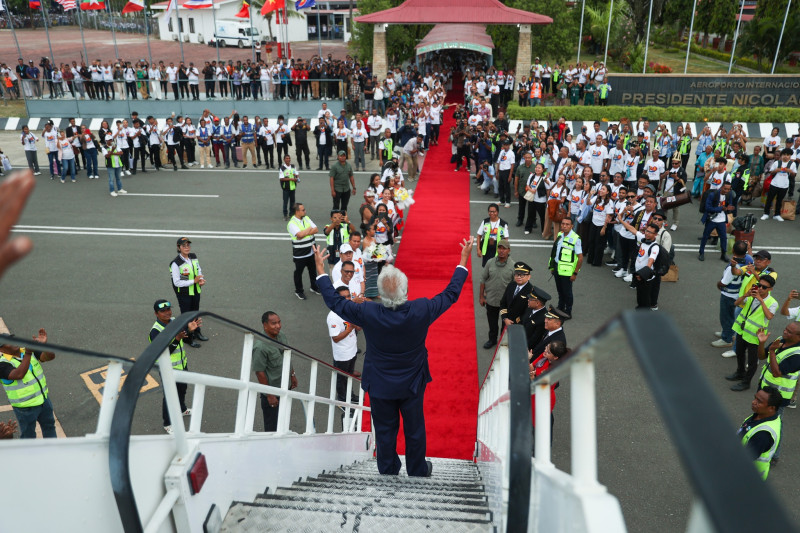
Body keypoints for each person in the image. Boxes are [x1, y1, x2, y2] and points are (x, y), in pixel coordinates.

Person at [312, 237, 474, 477]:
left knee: (384, 430)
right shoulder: (421, 309)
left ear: (381, 294)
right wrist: (463, 261)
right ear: (405, 292)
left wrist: (321, 271)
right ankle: (417, 469)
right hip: (412, 382)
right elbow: (450, 294)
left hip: (379, 382)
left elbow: (335, 302)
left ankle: (388, 469)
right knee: (414, 429)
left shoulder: (368, 311)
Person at [149, 299, 201, 434]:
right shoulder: (155, 331)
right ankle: (167, 423)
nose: (167, 313)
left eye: (168, 309)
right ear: (156, 314)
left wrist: (190, 330)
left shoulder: (174, 321)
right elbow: (163, 352)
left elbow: (184, 336)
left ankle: (182, 409)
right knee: (170, 396)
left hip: (182, 365)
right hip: (168, 369)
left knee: (182, 389)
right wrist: (177, 339)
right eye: (163, 311)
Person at [0, 323, 56, 438]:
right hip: (25, 407)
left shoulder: (26, 351)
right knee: (28, 436)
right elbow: (19, 374)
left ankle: (53, 448)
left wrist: (44, 346)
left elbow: (49, 357)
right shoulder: (2, 364)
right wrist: (29, 353)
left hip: (43, 400)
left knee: (50, 427)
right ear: (2, 349)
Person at [728, 275, 778, 391]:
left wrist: (761, 300)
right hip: (742, 330)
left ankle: (746, 382)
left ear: (770, 289)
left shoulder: (773, 302)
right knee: (739, 353)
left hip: (756, 335)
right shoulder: (751, 295)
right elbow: (736, 303)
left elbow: (769, 316)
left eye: (764, 287)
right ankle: (740, 372)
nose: (760, 288)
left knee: (752, 361)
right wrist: (746, 295)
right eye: (759, 285)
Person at [252, 311, 298, 432]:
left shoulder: (281, 335)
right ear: (265, 325)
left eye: (279, 322)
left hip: (285, 387)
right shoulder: (260, 346)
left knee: (283, 420)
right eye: (273, 323)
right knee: (272, 427)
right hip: (273, 393)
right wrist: (270, 395)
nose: (278, 326)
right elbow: (259, 372)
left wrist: (292, 375)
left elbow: (286, 356)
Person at [529, 339, 567, 456]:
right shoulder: (545, 356)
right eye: (546, 347)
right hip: (534, 397)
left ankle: (539, 451)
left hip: (542, 399)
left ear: (555, 357)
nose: (545, 350)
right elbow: (532, 366)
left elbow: (539, 387)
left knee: (539, 426)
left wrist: (532, 377)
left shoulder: (554, 372)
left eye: (548, 351)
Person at [713, 241, 753, 351]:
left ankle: (726, 338)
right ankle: (729, 332)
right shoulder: (749, 260)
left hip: (728, 294)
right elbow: (751, 256)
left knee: (726, 317)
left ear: (733, 250)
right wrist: (749, 249)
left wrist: (718, 284)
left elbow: (724, 282)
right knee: (732, 316)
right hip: (738, 293)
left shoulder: (732, 267)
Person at [327, 285, 362, 405]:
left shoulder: (350, 310)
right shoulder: (333, 316)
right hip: (342, 355)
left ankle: (350, 395)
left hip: (352, 350)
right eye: (344, 297)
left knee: (349, 376)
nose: (347, 299)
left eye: (349, 296)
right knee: (341, 379)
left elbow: (358, 328)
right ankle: (341, 400)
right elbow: (335, 338)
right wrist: (350, 328)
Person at [170, 237, 208, 348]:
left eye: (188, 245)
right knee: (186, 315)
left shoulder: (193, 257)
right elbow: (177, 282)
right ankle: (188, 338)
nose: (187, 247)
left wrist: (200, 279)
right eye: (184, 246)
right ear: (179, 248)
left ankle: (197, 332)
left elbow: (198, 269)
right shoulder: (175, 263)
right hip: (184, 294)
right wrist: (193, 281)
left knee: (195, 312)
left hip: (195, 290)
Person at [737, 386, 782, 480]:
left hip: (746, 478)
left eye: (759, 401)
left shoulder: (763, 435)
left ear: (771, 408)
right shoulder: (761, 415)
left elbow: (744, 460)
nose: (754, 402)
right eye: (755, 398)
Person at [479, 238, 515, 350]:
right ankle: (492, 339)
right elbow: (483, 280)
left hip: (506, 303)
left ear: (509, 250)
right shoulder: (490, 263)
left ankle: (503, 342)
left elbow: (515, 286)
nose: (501, 251)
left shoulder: (513, 266)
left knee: (505, 324)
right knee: (492, 322)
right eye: (499, 248)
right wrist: (481, 297)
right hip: (491, 299)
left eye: (504, 248)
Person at [549, 217, 583, 319]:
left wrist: (575, 273)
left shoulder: (575, 239)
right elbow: (555, 252)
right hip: (557, 267)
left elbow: (580, 258)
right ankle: (560, 307)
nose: (564, 226)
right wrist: (552, 267)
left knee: (567, 292)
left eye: (567, 224)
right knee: (560, 290)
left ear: (572, 226)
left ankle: (568, 311)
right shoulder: (560, 235)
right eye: (563, 224)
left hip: (567, 271)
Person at [287, 203, 320, 300]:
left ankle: (314, 286)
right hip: (300, 253)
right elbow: (299, 235)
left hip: (311, 251)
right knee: (299, 272)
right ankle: (299, 291)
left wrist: (304, 232)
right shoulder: (292, 223)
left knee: (313, 270)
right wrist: (309, 229)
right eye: (303, 210)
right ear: (297, 212)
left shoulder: (306, 218)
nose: (305, 211)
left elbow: (316, 230)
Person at [698, 182, 735, 262]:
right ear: (721, 187)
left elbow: (729, 205)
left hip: (722, 220)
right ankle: (701, 253)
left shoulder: (728, 195)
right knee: (705, 236)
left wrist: (729, 208)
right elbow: (708, 208)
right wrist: (720, 208)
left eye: (728, 189)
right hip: (712, 219)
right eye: (725, 189)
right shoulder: (713, 195)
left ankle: (723, 254)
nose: (726, 191)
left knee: (723, 238)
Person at [500, 261, 533, 328]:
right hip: (506, 322)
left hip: (519, 325)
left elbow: (528, 312)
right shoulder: (511, 285)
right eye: (516, 274)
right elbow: (503, 303)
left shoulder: (531, 291)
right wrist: (505, 318)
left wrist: (514, 322)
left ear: (529, 277)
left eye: (522, 275)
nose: (519, 277)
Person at [476, 203, 510, 268]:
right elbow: (479, 236)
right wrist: (478, 249)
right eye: (490, 211)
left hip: (498, 248)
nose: (492, 213)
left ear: (497, 212)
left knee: (497, 267)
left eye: (494, 212)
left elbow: (506, 239)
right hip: (486, 248)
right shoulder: (485, 222)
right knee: (486, 267)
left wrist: (505, 252)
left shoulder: (503, 224)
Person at [521, 286, 551, 352]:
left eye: (530, 299)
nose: (528, 300)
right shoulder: (530, 308)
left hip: (527, 349)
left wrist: (521, 347)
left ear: (537, 303)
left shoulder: (543, 319)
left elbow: (534, 339)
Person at [278, 154, 299, 221]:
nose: (288, 159)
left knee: (292, 202)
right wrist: (291, 179)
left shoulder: (293, 166)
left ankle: (291, 214)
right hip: (286, 188)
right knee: (285, 202)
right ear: (284, 160)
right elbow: (281, 178)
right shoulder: (282, 168)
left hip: (293, 187)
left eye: (289, 158)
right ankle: (285, 215)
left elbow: (297, 174)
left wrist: (297, 178)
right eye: (286, 158)